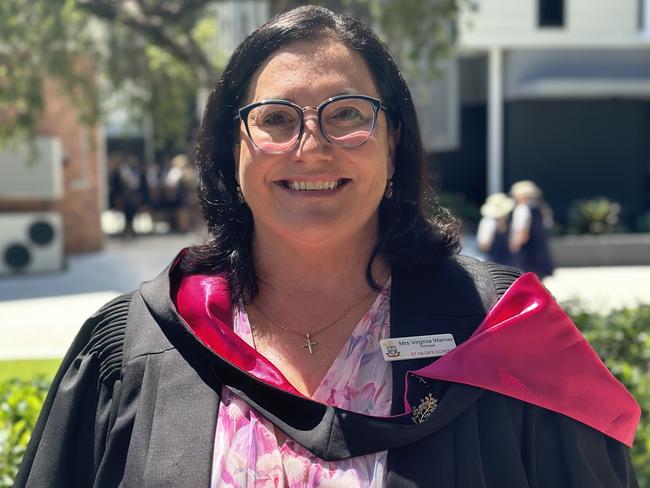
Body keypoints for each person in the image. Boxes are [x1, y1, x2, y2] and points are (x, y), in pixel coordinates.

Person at [16, 6, 639, 487]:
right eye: (276, 119)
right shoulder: (136, 346)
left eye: (346, 114)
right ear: (231, 151)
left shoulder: (505, 337)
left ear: (393, 140)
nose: (312, 146)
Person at [509, 180, 555, 279]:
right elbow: (548, 224)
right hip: (540, 249)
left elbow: (521, 231)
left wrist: (514, 247)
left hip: (527, 251)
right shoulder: (542, 207)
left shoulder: (522, 209)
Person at [476, 192, 516, 266]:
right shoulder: (488, 222)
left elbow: (484, 244)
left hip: (503, 259)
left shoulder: (489, 222)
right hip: (495, 258)